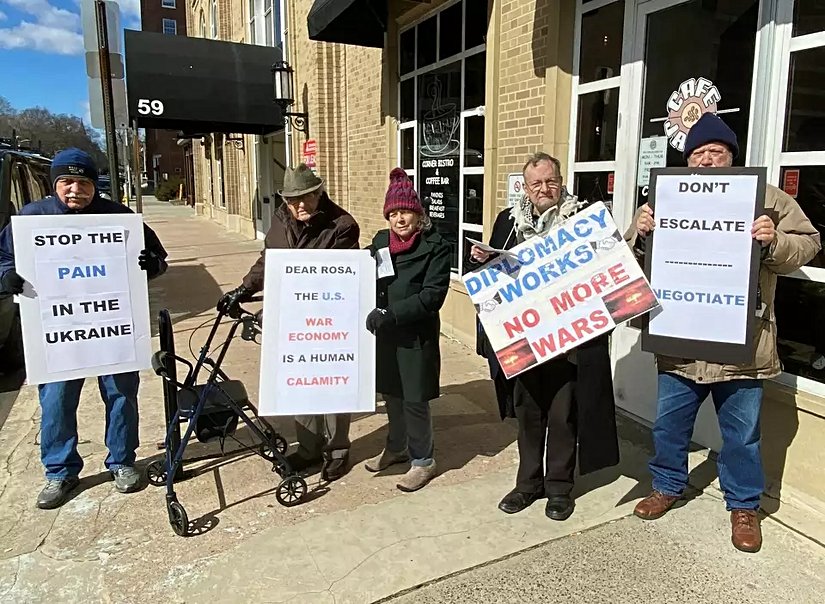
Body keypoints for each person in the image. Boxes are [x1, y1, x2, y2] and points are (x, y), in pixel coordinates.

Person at [629, 113, 821, 553]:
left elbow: (808, 242)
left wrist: (773, 241)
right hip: (680, 344)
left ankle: (743, 506)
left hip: (743, 347)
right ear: (688, 159)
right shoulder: (666, 198)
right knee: (670, 428)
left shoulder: (764, 199)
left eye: (716, 152)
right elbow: (632, 262)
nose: (707, 160)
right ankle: (667, 486)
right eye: (698, 153)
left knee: (742, 435)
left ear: (731, 157)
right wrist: (640, 235)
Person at [0, 148, 168, 509]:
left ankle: (122, 462)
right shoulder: (31, 219)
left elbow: (158, 259)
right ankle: (60, 472)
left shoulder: (119, 218)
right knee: (57, 401)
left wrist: (149, 263)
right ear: (55, 184)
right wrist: (7, 276)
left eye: (84, 182)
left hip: (112, 330)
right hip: (59, 333)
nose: (76, 190)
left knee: (122, 396)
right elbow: (4, 259)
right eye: (68, 182)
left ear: (95, 185)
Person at [470, 152, 619, 521]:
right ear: (526, 186)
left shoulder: (585, 217)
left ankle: (558, 488)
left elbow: (609, 264)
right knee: (528, 415)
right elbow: (496, 275)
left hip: (569, 340)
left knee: (563, 415)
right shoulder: (507, 222)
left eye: (550, 181)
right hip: (523, 340)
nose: (544, 189)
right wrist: (481, 261)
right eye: (536, 183)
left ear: (561, 180)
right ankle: (528, 485)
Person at [219, 164, 360, 482]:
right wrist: (243, 289)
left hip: (329, 317)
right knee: (300, 383)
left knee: (333, 382)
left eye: (306, 198)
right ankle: (309, 449)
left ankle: (338, 448)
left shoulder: (342, 225)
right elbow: (268, 260)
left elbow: (344, 275)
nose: (299, 205)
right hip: (292, 318)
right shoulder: (280, 221)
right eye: (292, 199)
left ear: (319, 193)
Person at [364, 168, 451, 492]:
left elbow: (432, 296)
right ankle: (396, 446)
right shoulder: (379, 243)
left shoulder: (436, 246)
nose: (401, 219)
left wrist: (393, 313)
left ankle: (423, 460)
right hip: (386, 334)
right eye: (395, 213)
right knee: (391, 394)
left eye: (407, 212)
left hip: (415, 335)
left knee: (414, 399)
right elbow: (361, 275)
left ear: (419, 214)